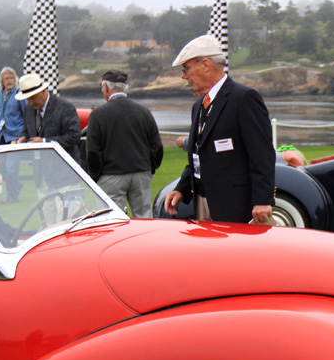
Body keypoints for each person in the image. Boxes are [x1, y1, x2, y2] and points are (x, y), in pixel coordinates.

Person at [163, 35, 275, 224]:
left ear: (205, 65)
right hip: (203, 202)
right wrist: (181, 189)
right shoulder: (198, 106)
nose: (184, 76)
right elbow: (199, 155)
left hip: (235, 205)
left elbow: (261, 153)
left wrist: (263, 200)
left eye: (187, 69)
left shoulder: (244, 98)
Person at [85, 69, 164, 217]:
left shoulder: (98, 115)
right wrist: (150, 169)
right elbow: (157, 147)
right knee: (144, 219)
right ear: (125, 88)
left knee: (112, 221)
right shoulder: (143, 111)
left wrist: (95, 176)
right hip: (141, 172)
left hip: (111, 175)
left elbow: (93, 152)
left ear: (106, 87)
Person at [15, 74, 82, 165]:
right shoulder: (28, 109)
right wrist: (22, 139)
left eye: (33, 98)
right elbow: (26, 131)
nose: (31, 103)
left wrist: (45, 142)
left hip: (64, 168)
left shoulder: (65, 107)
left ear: (43, 91)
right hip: (39, 169)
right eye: (27, 99)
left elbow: (74, 136)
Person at [0, 67, 25, 202]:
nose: (9, 81)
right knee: (0, 166)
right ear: (2, 81)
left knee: (11, 168)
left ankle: (12, 195)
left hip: (15, 136)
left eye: (11, 78)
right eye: (6, 78)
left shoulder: (19, 95)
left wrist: (24, 133)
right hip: (0, 135)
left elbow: (25, 114)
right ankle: (17, 184)